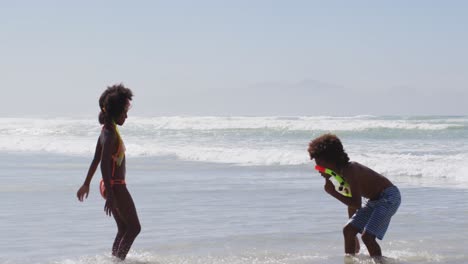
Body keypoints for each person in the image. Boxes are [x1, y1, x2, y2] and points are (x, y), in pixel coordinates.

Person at [307, 134, 401, 258]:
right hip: (373, 200)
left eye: (320, 165)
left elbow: (355, 203)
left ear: (331, 160)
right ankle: (350, 260)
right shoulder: (340, 174)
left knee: (368, 237)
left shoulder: (351, 170)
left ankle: (379, 262)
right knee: (348, 230)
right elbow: (352, 204)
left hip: (388, 196)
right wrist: (354, 230)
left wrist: (333, 192)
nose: (318, 169)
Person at [76, 84, 140, 260]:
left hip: (109, 186)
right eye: (124, 112)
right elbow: (103, 164)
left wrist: (86, 183)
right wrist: (111, 195)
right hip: (115, 187)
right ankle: (118, 261)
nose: (126, 116)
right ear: (115, 112)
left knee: (123, 228)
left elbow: (96, 159)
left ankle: (114, 259)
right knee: (134, 228)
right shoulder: (109, 135)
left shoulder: (107, 130)